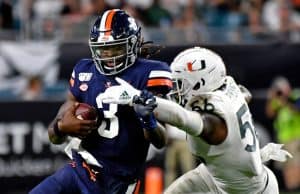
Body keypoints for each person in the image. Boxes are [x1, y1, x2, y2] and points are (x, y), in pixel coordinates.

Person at [99, 46, 292, 194]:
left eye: (181, 84)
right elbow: (244, 95)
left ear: (201, 82)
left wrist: (139, 98)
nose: (175, 91)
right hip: (220, 175)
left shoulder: (215, 122)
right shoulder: (226, 87)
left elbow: (187, 119)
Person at [30, 9, 173, 194]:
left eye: (116, 48)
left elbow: (161, 140)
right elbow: (54, 135)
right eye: (103, 49)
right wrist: (61, 128)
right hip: (79, 169)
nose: (109, 55)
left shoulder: (149, 74)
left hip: (117, 184)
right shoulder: (84, 71)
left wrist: (148, 120)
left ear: (133, 44)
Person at [266, 77, 300, 191]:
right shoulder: (277, 99)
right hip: (283, 138)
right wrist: (272, 98)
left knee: (295, 164)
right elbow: (269, 113)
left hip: (295, 136)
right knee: (286, 166)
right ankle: (291, 188)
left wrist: (286, 99)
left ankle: (295, 187)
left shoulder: (295, 95)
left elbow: (297, 108)